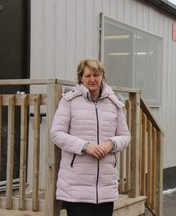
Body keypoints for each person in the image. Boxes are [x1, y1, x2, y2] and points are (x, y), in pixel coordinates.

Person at [50, 57, 131, 216]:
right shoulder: (69, 101)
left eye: (96, 75)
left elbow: (125, 136)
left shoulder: (114, 103)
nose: (92, 79)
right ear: (80, 78)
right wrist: (85, 146)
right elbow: (56, 133)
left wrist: (111, 144)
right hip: (76, 185)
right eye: (87, 75)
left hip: (105, 186)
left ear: (102, 76)